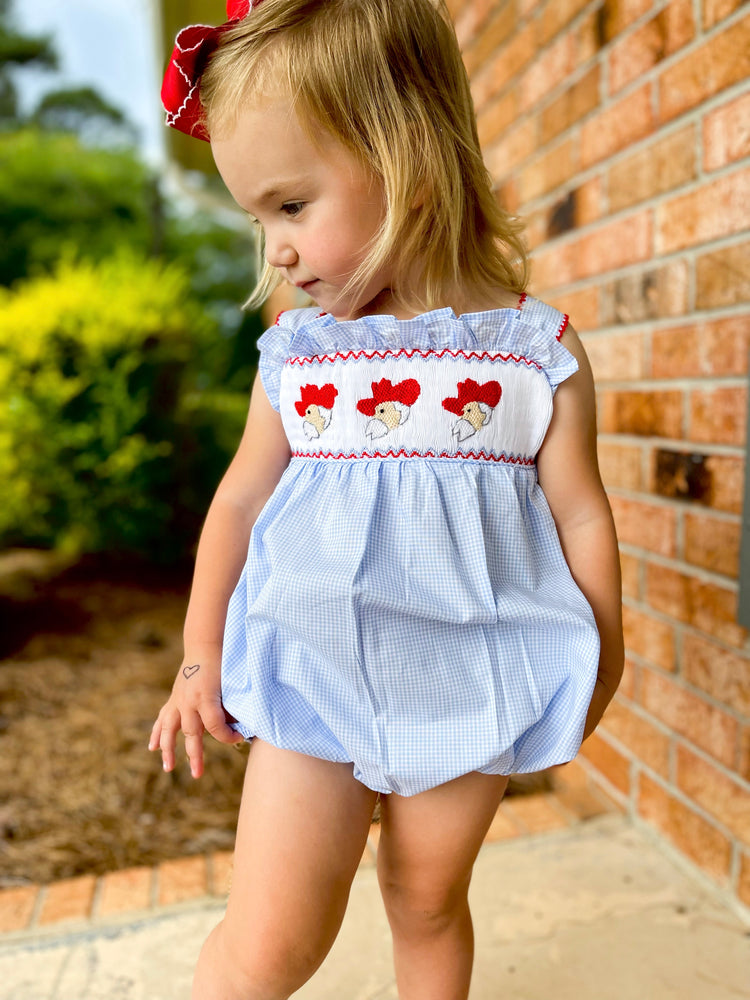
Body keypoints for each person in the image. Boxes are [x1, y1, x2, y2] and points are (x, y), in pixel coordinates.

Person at [150, 1, 624, 997]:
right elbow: (237, 503)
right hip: (314, 674)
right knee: (272, 940)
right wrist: (200, 653)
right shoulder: (303, 356)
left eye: (290, 204)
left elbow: (581, 511)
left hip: (472, 676)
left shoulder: (534, 354)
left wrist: (600, 648)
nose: (273, 247)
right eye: (257, 217)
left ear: (402, 152)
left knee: (425, 899)